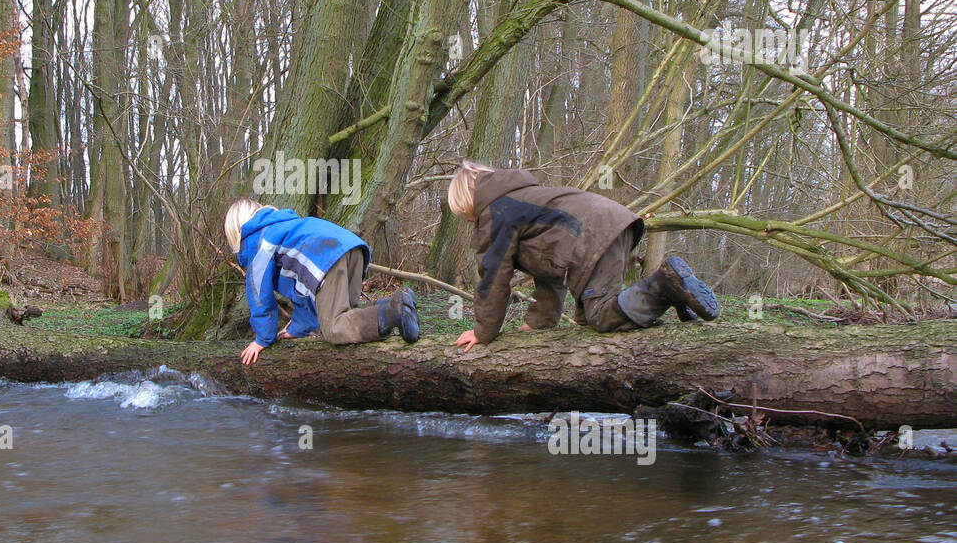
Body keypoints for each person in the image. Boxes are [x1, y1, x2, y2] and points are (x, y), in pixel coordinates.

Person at [447, 161, 719, 352]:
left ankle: (665, 286)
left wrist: (483, 332)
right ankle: (676, 295)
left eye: (466, 214)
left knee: (601, 316)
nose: (470, 220)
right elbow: (547, 272)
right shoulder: (524, 199)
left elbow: (493, 277)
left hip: (594, 235)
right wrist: (539, 323)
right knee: (589, 320)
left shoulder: (497, 213)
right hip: (612, 225)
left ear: (471, 201)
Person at [225, 197, 419, 364]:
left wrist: (262, 339)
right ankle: (398, 303)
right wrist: (298, 329)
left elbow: (259, 295)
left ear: (235, 230)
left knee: (335, 328)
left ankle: (393, 311)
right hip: (352, 247)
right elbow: (302, 291)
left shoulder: (259, 242)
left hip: (327, 255)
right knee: (348, 315)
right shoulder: (286, 229)